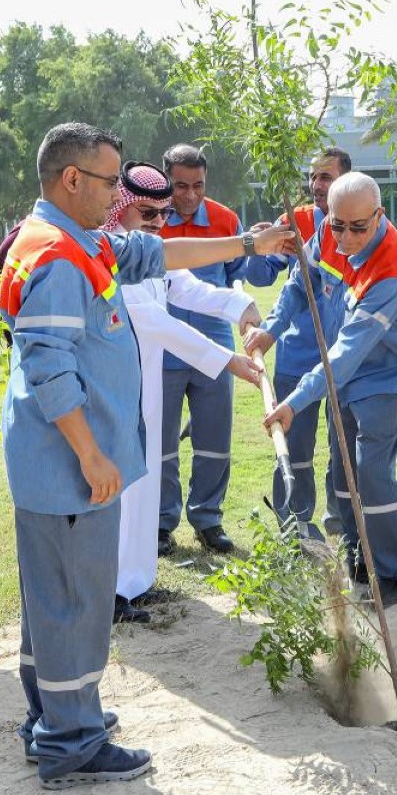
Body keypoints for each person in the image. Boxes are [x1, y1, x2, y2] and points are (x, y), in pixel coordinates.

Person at [0, 122, 291, 789]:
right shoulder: (58, 257)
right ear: (72, 179)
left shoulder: (77, 240)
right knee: (76, 602)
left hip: (58, 459)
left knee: (52, 601)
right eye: (108, 182)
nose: (117, 196)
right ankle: (72, 744)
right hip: (69, 462)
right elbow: (49, 367)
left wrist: (248, 244)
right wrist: (92, 455)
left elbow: (159, 256)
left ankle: (51, 720)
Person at [262, 172, 397, 606]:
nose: (346, 237)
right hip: (348, 371)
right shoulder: (328, 229)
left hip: (387, 376)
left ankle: (393, 576)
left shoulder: (393, 269)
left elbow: (344, 356)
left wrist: (295, 402)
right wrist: (271, 329)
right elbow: (300, 282)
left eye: (359, 227)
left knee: (370, 471)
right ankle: (360, 555)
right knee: (342, 473)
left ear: (380, 216)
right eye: (339, 225)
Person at [105, 162, 262, 624]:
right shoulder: (110, 257)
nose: (158, 223)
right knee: (123, 489)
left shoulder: (148, 253)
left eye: (162, 214)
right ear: (121, 209)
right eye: (148, 214)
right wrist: (227, 359)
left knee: (147, 479)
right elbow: (158, 323)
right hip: (117, 389)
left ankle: (136, 582)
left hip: (147, 387)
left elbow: (187, 286)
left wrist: (240, 305)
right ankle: (110, 589)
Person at [244, 148, 349, 531]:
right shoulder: (296, 219)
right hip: (296, 355)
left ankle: (341, 520)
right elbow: (262, 278)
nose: (317, 184)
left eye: (326, 176)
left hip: (344, 357)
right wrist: (256, 246)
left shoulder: (358, 222)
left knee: (345, 448)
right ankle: (294, 524)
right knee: (295, 446)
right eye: (313, 176)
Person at [155, 144, 248, 555]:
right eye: (180, 186)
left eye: (198, 186)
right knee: (161, 443)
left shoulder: (226, 219)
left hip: (215, 347)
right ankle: (160, 522)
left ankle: (208, 519)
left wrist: (271, 252)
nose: (189, 195)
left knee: (214, 439)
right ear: (165, 182)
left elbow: (243, 275)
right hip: (164, 348)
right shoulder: (150, 219)